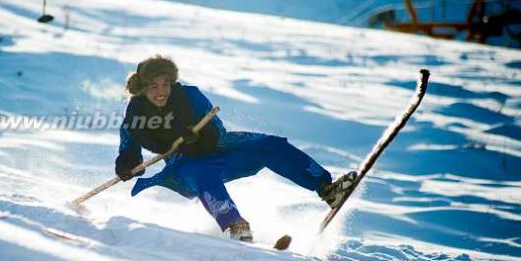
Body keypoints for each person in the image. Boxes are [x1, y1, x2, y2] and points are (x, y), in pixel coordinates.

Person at [115, 55, 356, 243]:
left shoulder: (189, 95)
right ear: (143, 88)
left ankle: (327, 189)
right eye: (154, 86)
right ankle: (235, 225)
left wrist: (198, 136)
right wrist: (128, 166)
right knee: (199, 172)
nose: (161, 91)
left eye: (165, 84)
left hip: (222, 151)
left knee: (272, 145)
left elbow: (216, 130)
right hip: (186, 167)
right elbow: (129, 150)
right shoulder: (136, 113)